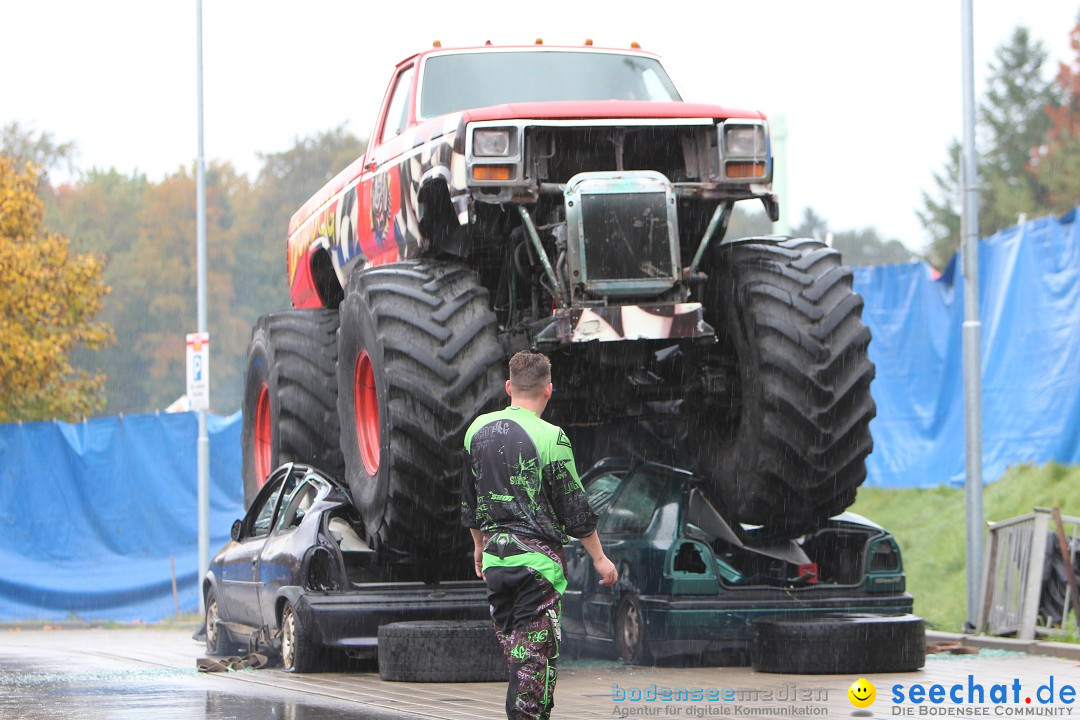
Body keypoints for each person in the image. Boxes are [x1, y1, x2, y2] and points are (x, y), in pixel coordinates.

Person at [462, 351, 618, 720]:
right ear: (549, 391)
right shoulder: (552, 437)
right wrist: (599, 557)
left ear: (508, 387)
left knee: (522, 667)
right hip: (537, 569)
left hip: (497, 565)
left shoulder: (475, 431)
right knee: (535, 672)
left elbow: (469, 501)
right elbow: (574, 507)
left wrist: (479, 549)